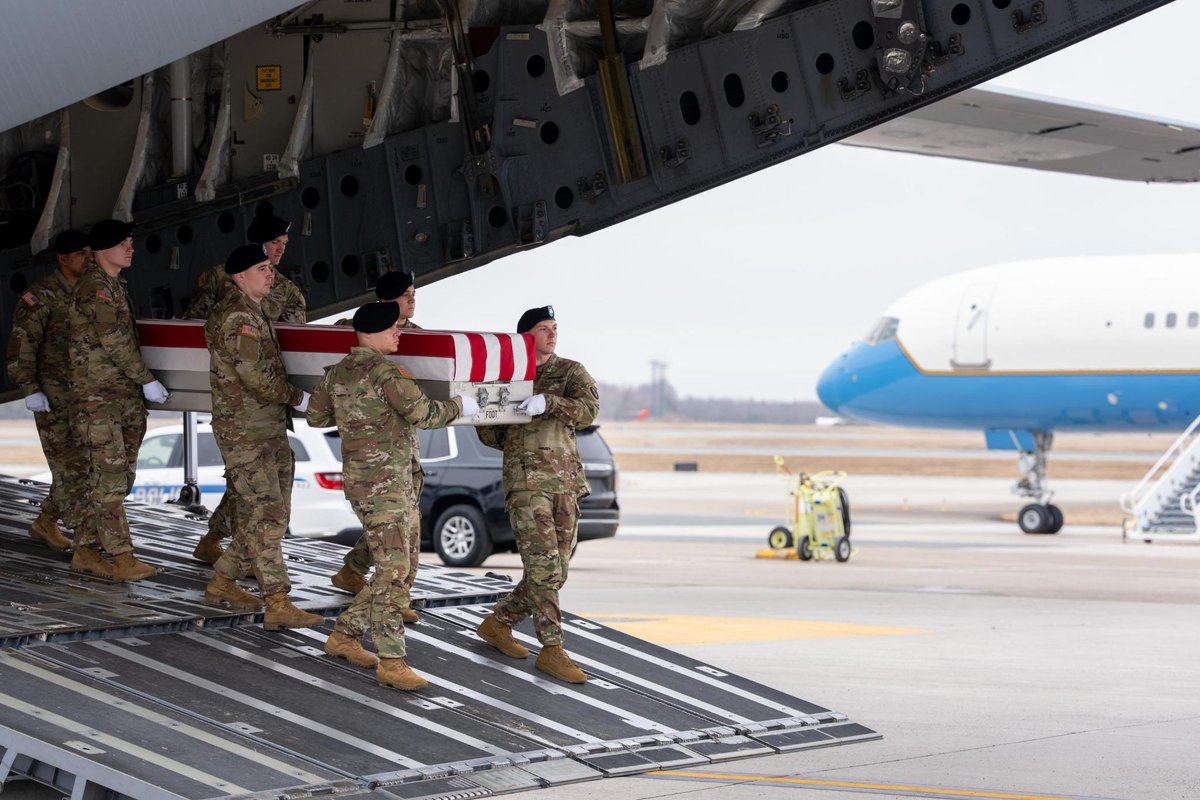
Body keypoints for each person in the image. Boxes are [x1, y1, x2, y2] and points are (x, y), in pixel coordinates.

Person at [307, 301, 476, 690]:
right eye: (393, 328)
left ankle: (345, 634)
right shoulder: (386, 373)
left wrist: (358, 415)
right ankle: (392, 660)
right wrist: (459, 406)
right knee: (394, 570)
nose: (399, 333)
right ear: (373, 332)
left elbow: (316, 416)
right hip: (386, 487)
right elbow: (425, 415)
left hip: (367, 484)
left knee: (397, 568)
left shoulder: (339, 373)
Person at [475, 305, 599, 684]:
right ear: (526, 336)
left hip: (565, 483)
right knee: (545, 568)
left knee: (555, 572)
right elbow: (487, 430)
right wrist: (514, 419)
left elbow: (589, 409)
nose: (552, 334)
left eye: (555, 328)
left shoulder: (570, 371)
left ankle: (500, 622)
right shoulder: (509, 375)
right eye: (544, 328)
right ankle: (551, 649)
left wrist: (551, 403)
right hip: (527, 484)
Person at [201, 243, 321, 630]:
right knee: (266, 511)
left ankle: (222, 580)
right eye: (261, 268)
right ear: (240, 276)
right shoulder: (239, 317)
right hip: (246, 432)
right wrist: (296, 397)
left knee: (270, 513)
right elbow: (255, 376)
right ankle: (278, 601)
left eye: (270, 268)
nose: (270, 274)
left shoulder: (253, 311)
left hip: (266, 427)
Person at [189, 212, 306, 565]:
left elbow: (294, 343)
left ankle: (225, 546)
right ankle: (237, 566)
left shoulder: (286, 291)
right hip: (241, 404)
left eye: (284, 246)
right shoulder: (220, 281)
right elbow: (195, 323)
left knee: (257, 488)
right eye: (274, 245)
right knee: (258, 491)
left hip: (267, 407)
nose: (278, 253)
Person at [67, 219, 170, 581]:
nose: (131, 248)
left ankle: (86, 548)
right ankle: (121, 556)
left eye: (131, 242)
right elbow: (113, 341)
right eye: (124, 243)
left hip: (120, 396)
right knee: (109, 477)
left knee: (117, 476)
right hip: (99, 399)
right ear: (102, 249)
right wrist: (146, 379)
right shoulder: (96, 289)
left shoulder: (115, 285)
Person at [329, 269, 424, 611]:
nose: (413, 299)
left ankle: (359, 572)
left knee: (401, 521)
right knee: (397, 520)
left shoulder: (419, 335)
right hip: (374, 447)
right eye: (406, 293)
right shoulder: (357, 327)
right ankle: (394, 595)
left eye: (415, 292)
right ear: (387, 300)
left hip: (400, 442)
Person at [5, 230, 93, 551]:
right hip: (52, 399)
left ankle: (45, 521)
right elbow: (21, 348)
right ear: (62, 258)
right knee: (71, 467)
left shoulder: (91, 292)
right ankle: (88, 542)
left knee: (83, 463)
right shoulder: (39, 297)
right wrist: (29, 387)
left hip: (86, 396)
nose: (88, 258)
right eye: (81, 253)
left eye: (89, 252)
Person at [183, 212, 306, 323]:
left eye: (284, 243)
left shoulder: (288, 291)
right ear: (258, 243)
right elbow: (194, 323)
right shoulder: (218, 277)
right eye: (275, 242)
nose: (281, 250)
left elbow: (296, 340)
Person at [331, 270, 419, 328]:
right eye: (405, 294)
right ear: (385, 300)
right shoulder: (350, 327)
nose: (412, 300)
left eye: (413, 294)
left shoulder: (422, 337)